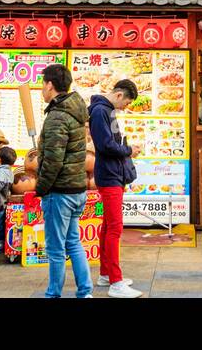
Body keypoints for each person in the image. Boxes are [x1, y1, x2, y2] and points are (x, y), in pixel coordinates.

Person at [36, 62, 93, 299]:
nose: (41, 88)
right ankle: (85, 291)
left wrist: (41, 187)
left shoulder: (58, 115)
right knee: (73, 243)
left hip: (59, 192)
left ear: (50, 85)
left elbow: (53, 159)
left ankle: (53, 294)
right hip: (77, 188)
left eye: (42, 83)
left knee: (56, 248)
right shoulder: (75, 110)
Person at [89, 78, 142, 298]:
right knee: (115, 228)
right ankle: (116, 282)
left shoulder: (106, 110)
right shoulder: (101, 111)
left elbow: (110, 143)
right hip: (109, 175)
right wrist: (129, 150)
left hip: (112, 174)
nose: (126, 107)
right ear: (119, 95)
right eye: (127, 102)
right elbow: (106, 145)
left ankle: (106, 274)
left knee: (108, 226)